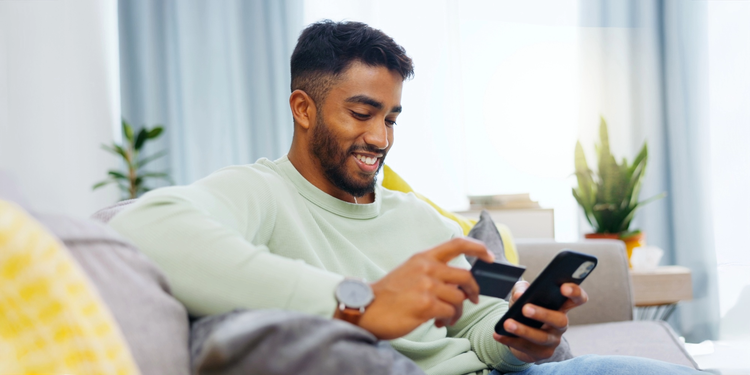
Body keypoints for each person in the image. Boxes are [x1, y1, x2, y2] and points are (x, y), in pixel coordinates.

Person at [110, 20, 704, 375]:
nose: (381, 138)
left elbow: (478, 327)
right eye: (363, 113)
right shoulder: (260, 192)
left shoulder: (417, 217)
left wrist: (522, 340)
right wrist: (360, 302)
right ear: (302, 108)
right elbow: (146, 227)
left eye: (392, 117)